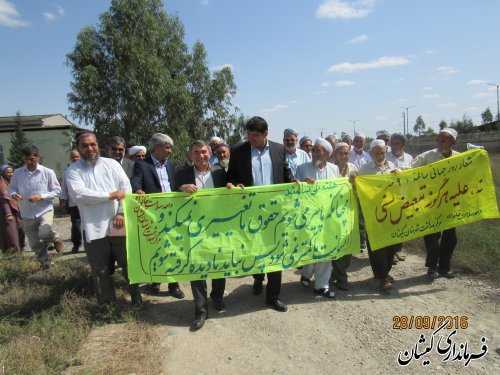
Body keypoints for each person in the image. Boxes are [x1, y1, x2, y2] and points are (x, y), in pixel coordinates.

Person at [66, 130, 142, 307]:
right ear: (78, 147)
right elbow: (80, 195)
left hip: (119, 223)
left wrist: (122, 212)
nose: (90, 149)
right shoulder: (73, 171)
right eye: (85, 146)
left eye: (93, 144)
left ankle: (136, 295)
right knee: (100, 269)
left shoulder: (112, 165)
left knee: (128, 263)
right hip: (93, 228)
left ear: (98, 145)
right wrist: (109, 195)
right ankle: (107, 303)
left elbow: (126, 189)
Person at [227, 116, 294, 312]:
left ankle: (273, 296)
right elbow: (231, 174)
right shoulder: (239, 150)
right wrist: (232, 183)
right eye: (248, 134)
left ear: (266, 134)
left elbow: (284, 170)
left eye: (254, 135)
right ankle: (257, 277)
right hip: (250, 210)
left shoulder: (279, 149)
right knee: (255, 248)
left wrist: (292, 180)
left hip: (275, 210)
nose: (251, 138)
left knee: (276, 249)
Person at [175, 140, 228, 330]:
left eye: (204, 151)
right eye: (196, 152)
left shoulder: (220, 171)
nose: (201, 155)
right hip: (193, 228)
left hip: (217, 227)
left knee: (219, 263)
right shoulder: (182, 174)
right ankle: (200, 311)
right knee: (197, 268)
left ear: (209, 152)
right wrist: (180, 189)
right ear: (191, 155)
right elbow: (170, 198)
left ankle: (217, 296)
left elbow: (229, 196)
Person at [131, 133, 185, 299]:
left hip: (172, 213)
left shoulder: (171, 165)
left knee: (173, 249)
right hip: (154, 214)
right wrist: (137, 190)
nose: (170, 150)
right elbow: (136, 181)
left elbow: (175, 185)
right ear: (157, 148)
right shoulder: (142, 164)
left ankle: (173, 284)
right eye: (167, 147)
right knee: (156, 249)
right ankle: (155, 281)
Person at [412, 128, 460, 279]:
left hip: (451, 202)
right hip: (431, 202)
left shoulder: (460, 158)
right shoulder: (428, 156)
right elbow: (411, 168)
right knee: (431, 235)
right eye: (438, 139)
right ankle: (432, 266)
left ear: (453, 142)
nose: (440, 142)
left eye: (444, 140)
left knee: (450, 237)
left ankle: (445, 267)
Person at [296, 138, 338, 298]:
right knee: (309, 248)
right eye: (313, 150)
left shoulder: (334, 169)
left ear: (327, 153)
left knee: (326, 251)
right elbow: (295, 188)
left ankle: (321, 284)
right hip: (309, 217)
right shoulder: (302, 168)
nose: (314, 153)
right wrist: (303, 184)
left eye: (318, 150)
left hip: (327, 217)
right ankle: (306, 273)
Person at [8, 145, 63, 269]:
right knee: (34, 242)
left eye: (32, 159)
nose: (29, 162)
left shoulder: (48, 172)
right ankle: (46, 263)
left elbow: (57, 190)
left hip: (44, 209)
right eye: (26, 159)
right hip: (27, 211)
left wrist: (42, 196)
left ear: (37, 157)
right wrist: (13, 194)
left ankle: (56, 237)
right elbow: (11, 188)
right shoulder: (18, 173)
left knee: (44, 233)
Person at [353, 140, 398, 291]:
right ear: (371, 153)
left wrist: (398, 176)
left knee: (391, 245)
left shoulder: (392, 167)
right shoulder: (365, 169)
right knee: (376, 246)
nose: (380, 155)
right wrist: (353, 177)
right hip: (373, 214)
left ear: (386, 151)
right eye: (376, 153)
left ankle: (385, 272)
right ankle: (381, 277)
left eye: (382, 152)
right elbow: (355, 181)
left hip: (391, 212)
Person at [330, 142, 358, 291]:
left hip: (350, 211)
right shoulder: (330, 169)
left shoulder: (354, 169)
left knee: (348, 245)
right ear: (335, 155)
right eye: (341, 153)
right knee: (336, 244)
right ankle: (341, 278)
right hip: (333, 213)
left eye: (346, 153)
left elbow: (360, 188)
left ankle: (336, 271)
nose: (344, 156)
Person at [387, 133, 413, 263]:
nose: (393, 146)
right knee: (390, 224)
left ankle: (397, 250)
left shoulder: (409, 158)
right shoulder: (385, 157)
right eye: (392, 143)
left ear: (403, 145)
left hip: (404, 195)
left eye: (396, 143)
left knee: (402, 225)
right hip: (389, 197)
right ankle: (389, 253)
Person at [60, 150, 83, 253]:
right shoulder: (67, 171)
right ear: (70, 158)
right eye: (73, 157)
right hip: (74, 203)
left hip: (86, 202)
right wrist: (63, 200)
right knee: (76, 224)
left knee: (88, 224)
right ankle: (76, 244)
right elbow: (64, 187)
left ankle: (89, 245)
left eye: (77, 157)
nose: (75, 159)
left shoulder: (85, 169)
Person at [0, 164, 24, 253]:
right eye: (8, 172)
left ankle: (21, 248)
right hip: (7, 213)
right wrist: (8, 214)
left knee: (21, 230)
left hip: (17, 211)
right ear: (3, 173)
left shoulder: (12, 182)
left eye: (11, 172)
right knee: (11, 233)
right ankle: (13, 253)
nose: (11, 174)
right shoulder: (2, 183)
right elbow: (4, 200)